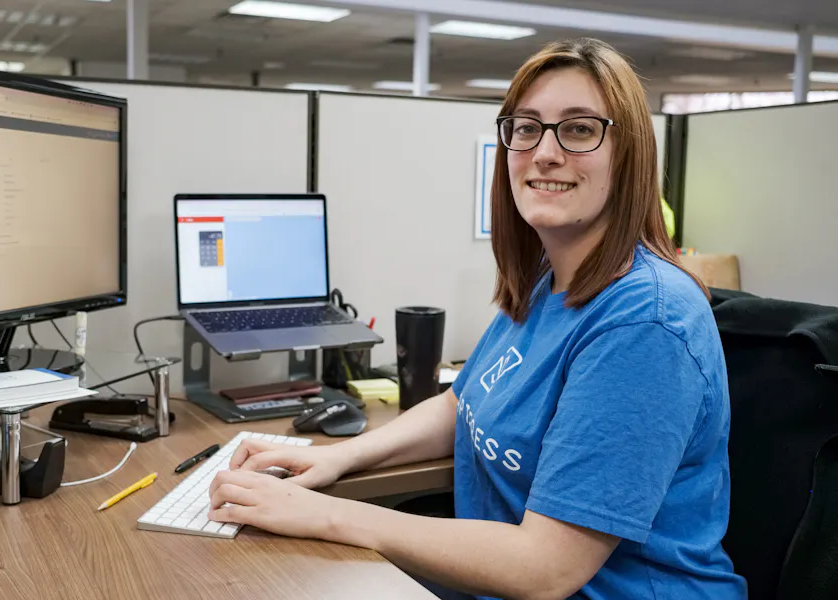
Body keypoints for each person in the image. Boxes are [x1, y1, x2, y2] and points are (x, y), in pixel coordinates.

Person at [208, 37, 748, 600]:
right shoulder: (549, 281)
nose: (544, 151)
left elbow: (547, 569)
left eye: (580, 129)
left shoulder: (644, 322)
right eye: (527, 127)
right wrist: (334, 458)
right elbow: (463, 401)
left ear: (629, 153)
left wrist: (323, 514)